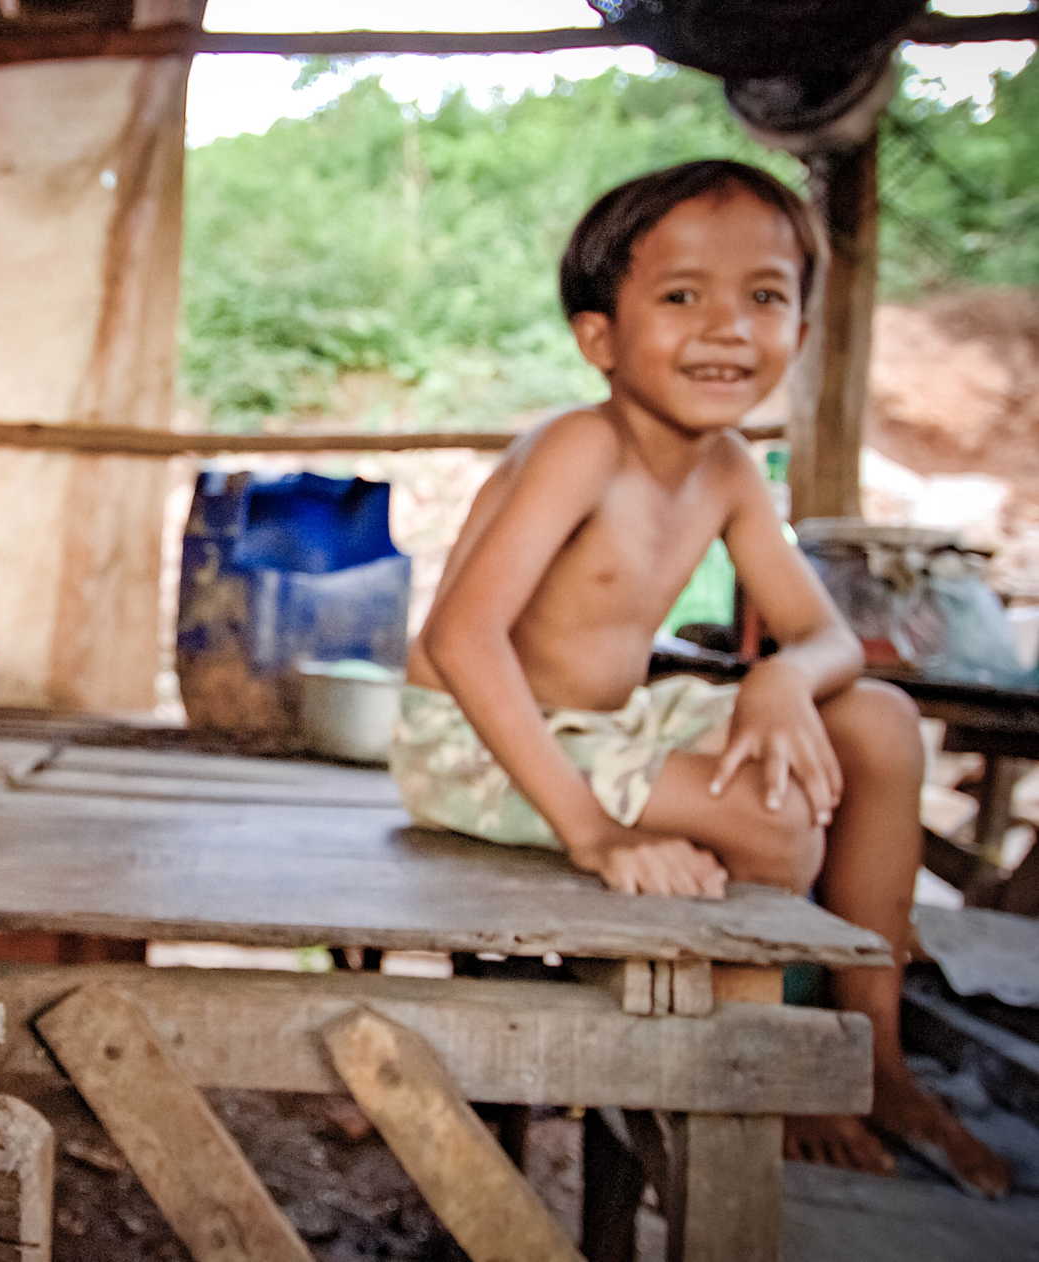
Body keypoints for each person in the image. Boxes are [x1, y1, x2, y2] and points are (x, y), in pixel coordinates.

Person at [394, 159, 1011, 1196]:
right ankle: (754, 1068)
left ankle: (876, 1054)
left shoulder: (726, 467)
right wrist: (595, 831)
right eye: (682, 296)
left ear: (800, 335)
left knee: (881, 723)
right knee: (776, 821)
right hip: (478, 736)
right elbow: (462, 641)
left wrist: (777, 681)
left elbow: (827, 640)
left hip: (609, 719)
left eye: (762, 297)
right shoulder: (579, 447)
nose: (726, 326)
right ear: (600, 336)